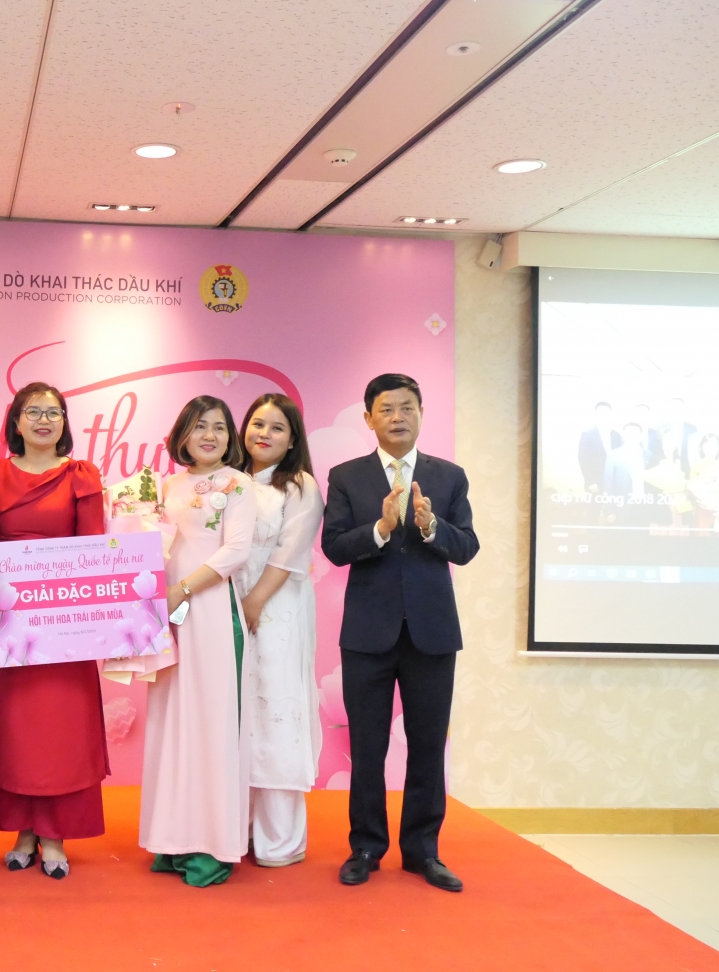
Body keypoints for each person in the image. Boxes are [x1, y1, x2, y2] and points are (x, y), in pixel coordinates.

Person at [322, 373, 478, 893]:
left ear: (421, 413)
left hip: (432, 633)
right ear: (369, 418)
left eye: (407, 407)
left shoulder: (449, 477)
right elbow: (334, 547)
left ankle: (422, 851)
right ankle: (366, 847)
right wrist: (381, 529)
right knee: (366, 747)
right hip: (368, 633)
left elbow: (467, 546)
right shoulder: (347, 476)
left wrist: (431, 527)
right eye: (386, 409)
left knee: (428, 746)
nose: (398, 417)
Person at [0, 382, 108, 880]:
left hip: (63, 623)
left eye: (53, 412)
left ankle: (53, 833)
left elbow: (94, 548)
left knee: (60, 729)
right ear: (16, 421)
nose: (44, 420)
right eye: (33, 412)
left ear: (64, 422)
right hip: (7, 619)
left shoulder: (81, 475)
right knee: (12, 727)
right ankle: (23, 830)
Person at [140, 395, 255, 887]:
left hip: (210, 614)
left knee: (211, 725)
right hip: (168, 614)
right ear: (182, 434)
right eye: (200, 426)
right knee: (173, 722)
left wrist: (182, 590)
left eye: (220, 427)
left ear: (230, 438)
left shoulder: (239, 484)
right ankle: (173, 838)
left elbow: (236, 551)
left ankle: (212, 844)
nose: (210, 435)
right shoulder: (168, 485)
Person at [234, 394, 324, 868]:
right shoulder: (228, 481)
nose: (264, 434)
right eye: (257, 423)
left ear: (292, 440)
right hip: (227, 604)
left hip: (277, 608)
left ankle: (279, 838)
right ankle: (235, 829)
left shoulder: (300, 486)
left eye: (276, 427)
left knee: (274, 707)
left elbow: (290, 553)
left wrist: (253, 602)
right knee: (237, 713)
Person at [577, 402, 620, 493]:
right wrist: (590, 481)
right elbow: (583, 460)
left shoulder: (616, 435)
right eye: (601, 413)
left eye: (606, 413)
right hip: (596, 484)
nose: (604, 416)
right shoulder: (587, 434)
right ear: (596, 415)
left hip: (615, 483)